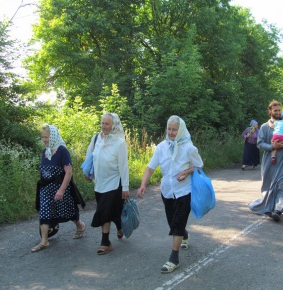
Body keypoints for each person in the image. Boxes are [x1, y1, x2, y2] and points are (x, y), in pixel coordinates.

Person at [137, 115, 203, 274]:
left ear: (180, 130)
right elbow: (150, 168)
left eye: (175, 129)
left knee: (178, 222)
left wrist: (187, 172)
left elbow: (199, 165)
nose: (171, 132)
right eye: (169, 128)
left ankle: (174, 258)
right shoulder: (161, 147)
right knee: (173, 222)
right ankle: (184, 234)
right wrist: (143, 185)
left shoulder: (189, 148)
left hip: (184, 191)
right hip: (167, 191)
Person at [32, 125, 86, 252]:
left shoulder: (62, 151)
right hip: (45, 189)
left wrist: (61, 190)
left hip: (61, 188)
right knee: (44, 211)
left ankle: (80, 226)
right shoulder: (44, 152)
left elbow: (68, 172)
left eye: (46, 137)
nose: (44, 140)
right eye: (43, 137)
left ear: (54, 137)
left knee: (68, 211)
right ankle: (44, 241)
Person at [85, 113, 130, 255]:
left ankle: (105, 242)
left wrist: (126, 187)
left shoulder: (119, 143)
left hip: (114, 183)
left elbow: (124, 166)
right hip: (99, 182)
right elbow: (90, 155)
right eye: (103, 123)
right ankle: (120, 226)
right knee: (114, 210)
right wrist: (88, 173)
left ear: (114, 125)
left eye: (107, 124)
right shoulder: (96, 138)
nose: (104, 126)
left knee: (104, 210)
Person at [248, 101, 283, 222]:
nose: (278, 112)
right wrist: (272, 147)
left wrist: (282, 144)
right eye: (275, 110)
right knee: (268, 184)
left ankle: (278, 209)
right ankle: (268, 207)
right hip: (270, 159)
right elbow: (260, 143)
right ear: (270, 111)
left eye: (279, 110)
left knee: (281, 184)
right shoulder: (265, 127)